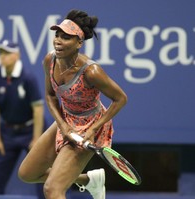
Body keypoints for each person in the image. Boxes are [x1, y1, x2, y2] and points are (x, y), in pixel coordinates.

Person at [18, 9, 128, 199]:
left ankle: (80, 179)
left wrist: (93, 129)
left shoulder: (91, 72)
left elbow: (121, 99)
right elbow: (51, 96)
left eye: (66, 37)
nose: (58, 41)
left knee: (52, 189)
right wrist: (63, 126)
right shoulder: (49, 60)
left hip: (89, 125)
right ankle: (88, 180)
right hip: (66, 120)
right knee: (27, 174)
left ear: (79, 43)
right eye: (57, 35)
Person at [0, 40, 46, 199]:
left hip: (32, 130)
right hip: (8, 133)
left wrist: (37, 139)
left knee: (44, 175)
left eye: (7, 53)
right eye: (1, 53)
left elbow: (38, 109)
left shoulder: (28, 78)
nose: (3, 57)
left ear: (16, 55)